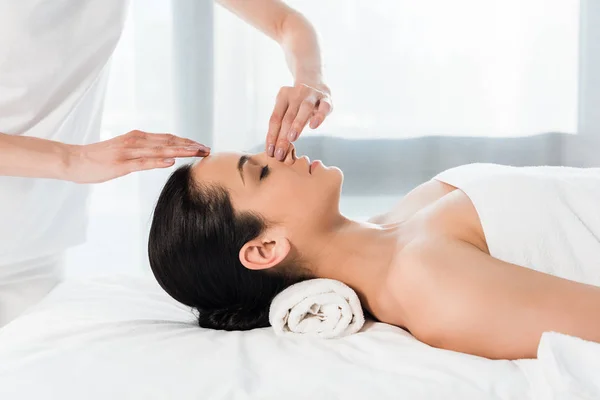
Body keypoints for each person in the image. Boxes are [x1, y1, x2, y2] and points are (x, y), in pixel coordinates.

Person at [0, 0, 332, 327]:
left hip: (40, 236)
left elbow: (284, 21)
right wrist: (74, 159)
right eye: (258, 172)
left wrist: (310, 78)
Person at [148, 146, 600, 360]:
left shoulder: (400, 219)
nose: (278, 152)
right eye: (262, 172)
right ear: (266, 248)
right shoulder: (429, 285)